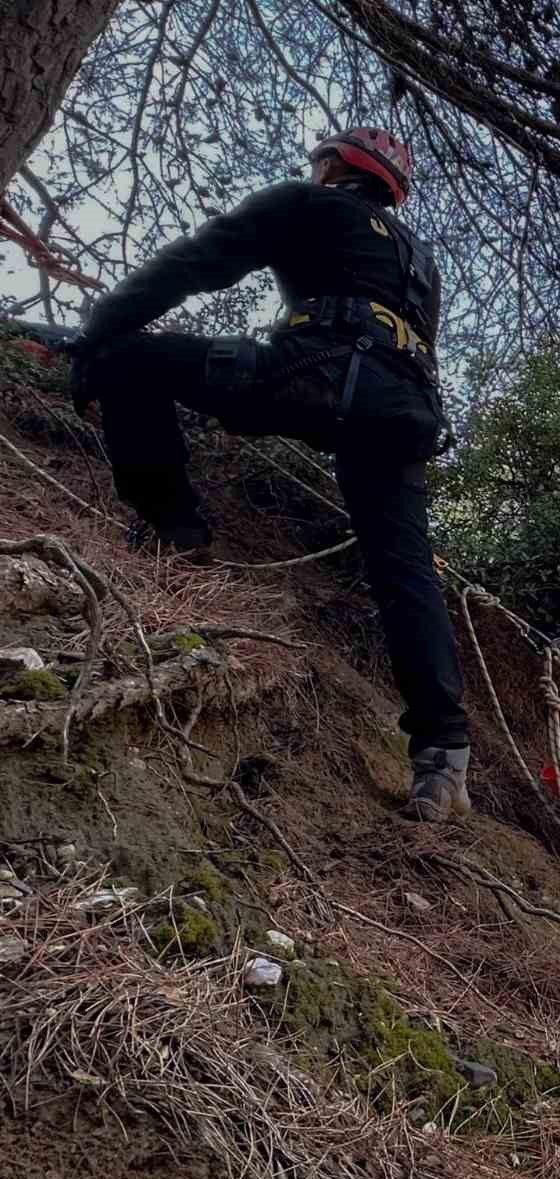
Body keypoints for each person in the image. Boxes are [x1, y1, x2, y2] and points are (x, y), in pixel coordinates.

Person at [67, 127, 471, 822]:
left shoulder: (309, 203)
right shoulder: (420, 259)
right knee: (405, 572)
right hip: (405, 410)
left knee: (128, 359)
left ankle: (175, 531)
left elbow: (197, 262)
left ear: (335, 167)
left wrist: (96, 330)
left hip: (315, 376)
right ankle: (444, 758)